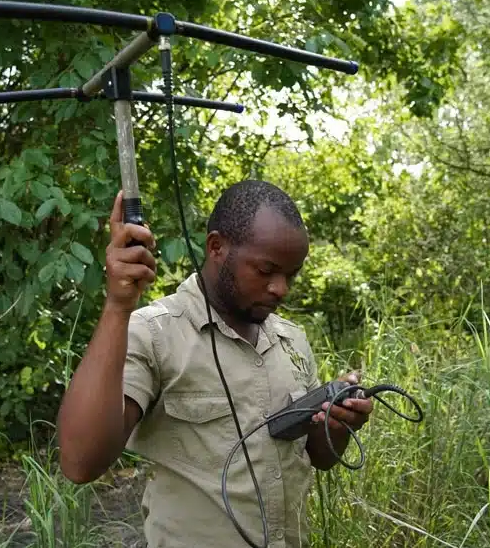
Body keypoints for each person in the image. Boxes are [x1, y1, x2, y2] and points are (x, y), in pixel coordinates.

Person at [57, 180, 374, 547]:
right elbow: (80, 464)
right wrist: (117, 306)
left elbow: (316, 457)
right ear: (217, 247)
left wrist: (337, 424)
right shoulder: (153, 333)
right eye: (266, 270)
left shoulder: (292, 341)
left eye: (291, 274)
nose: (281, 288)